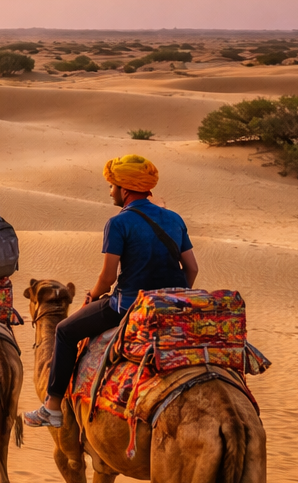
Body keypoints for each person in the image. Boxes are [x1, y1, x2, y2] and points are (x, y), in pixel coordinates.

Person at [24, 154, 198, 428]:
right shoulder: (174, 218)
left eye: (112, 186)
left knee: (65, 332)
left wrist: (93, 295)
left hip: (128, 305)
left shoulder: (118, 223)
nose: (110, 192)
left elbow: (107, 277)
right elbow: (192, 268)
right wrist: (171, 298)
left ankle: (52, 407)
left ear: (125, 189)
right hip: (171, 305)